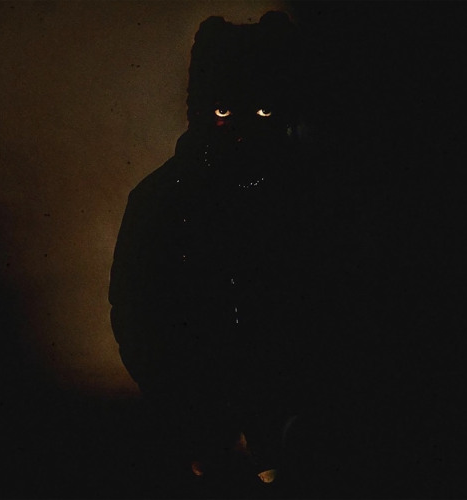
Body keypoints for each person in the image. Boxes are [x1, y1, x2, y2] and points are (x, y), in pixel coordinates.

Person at [109, 11, 341, 488]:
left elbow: (334, 306)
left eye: (264, 113)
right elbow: (132, 310)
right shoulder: (160, 198)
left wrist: (289, 413)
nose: (240, 131)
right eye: (222, 112)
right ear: (200, 110)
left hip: (283, 422)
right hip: (198, 422)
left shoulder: (312, 197)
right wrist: (186, 410)